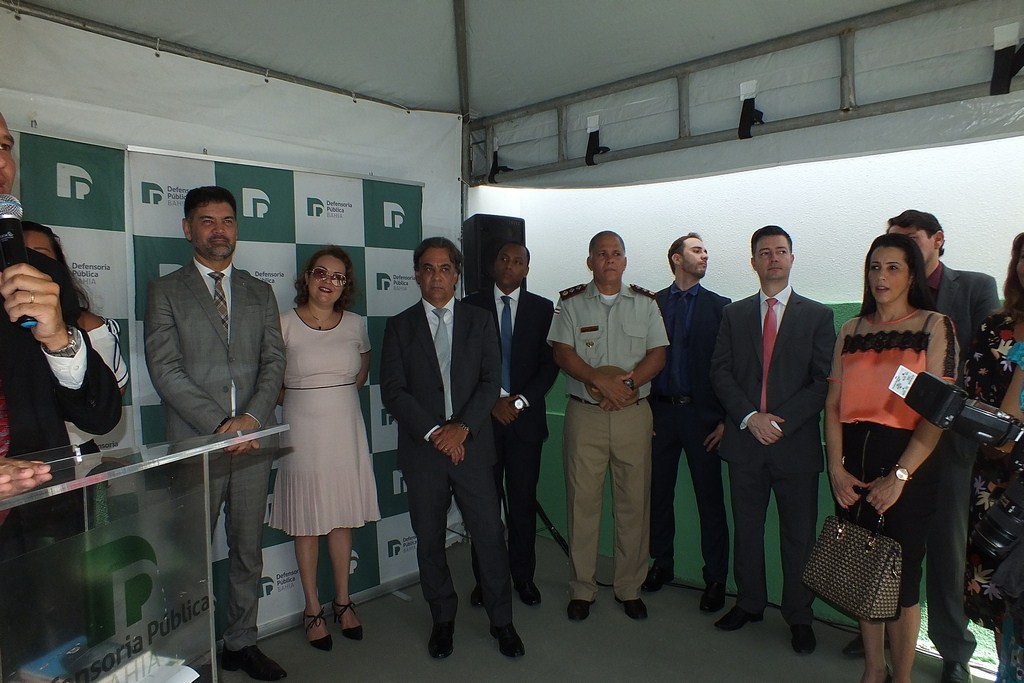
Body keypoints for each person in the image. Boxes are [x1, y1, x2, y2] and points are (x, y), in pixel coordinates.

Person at [144, 186, 286, 681]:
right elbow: (165, 370)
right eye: (207, 221)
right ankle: (192, 659)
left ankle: (241, 643)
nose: (219, 230)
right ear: (188, 229)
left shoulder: (259, 291)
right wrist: (222, 427)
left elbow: (274, 361)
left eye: (227, 220)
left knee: (247, 551)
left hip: (252, 443)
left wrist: (251, 419)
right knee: (188, 559)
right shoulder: (165, 291)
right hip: (196, 444)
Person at [380, 236, 525, 660]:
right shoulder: (399, 326)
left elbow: (490, 382)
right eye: (428, 268)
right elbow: (394, 391)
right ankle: (442, 619)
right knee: (429, 541)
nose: (436, 277)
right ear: (416, 275)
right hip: (424, 452)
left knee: (489, 537)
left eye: (445, 268)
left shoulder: (479, 320)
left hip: (473, 447)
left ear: (457, 275)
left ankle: (502, 621)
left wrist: (461, 429)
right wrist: (436, 433)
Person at [825, 232, 956, 683]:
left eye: (893, 267)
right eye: (875, 267)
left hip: (909, 465)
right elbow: (833, 406)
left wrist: (900, 475)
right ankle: (873, 669)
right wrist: (836, 468)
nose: (881, 276)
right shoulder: (851, 330)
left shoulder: (934, 326)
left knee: (901, 581)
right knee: (864, 570)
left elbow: (939, 413)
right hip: (854, 463)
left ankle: (901, 677)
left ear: (912, 275)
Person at [884, 210, 998, 683]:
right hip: (894, 438)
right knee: (889, 544)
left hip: (950, 444)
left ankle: (953, 649)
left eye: (911, 239)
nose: (902, 248)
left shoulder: (974, 287)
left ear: (937, 240)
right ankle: (884, 630)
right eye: (894, 241)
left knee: (948, 550)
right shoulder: (893, 291)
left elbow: (987, 363)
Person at [710, 225, 834, 655]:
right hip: (745, 443)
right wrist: (749, 418)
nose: (774, 258)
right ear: (753, 262)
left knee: (798, 536)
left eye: (781, 251)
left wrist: (779, 423)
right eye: (764, 252)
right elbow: (720, 372)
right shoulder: (734, 315)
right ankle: (749, 602)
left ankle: (799, 615)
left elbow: (823, 381)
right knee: (747, 530)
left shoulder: (817, 316)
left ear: (792, 258)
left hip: (794, 446)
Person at [548, 230, 668, 622]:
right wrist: (599, 380)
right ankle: (582, 588)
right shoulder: (570, 304)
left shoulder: (646, 303)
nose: (609, 259)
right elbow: (562, 353)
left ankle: (629, 586)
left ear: (625, 261)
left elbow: (658, 354)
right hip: (586, 415)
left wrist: (626, 387)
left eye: (616, 253)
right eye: (602, 254)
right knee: (582, 504)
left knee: (634, 503)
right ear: (590, 262)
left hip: (634, 415)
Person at [0, 110, 120, 497]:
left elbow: (101, 417)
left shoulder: (41, 274)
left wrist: (59, 340)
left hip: (35, 513)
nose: (1, 161)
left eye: (5, 146)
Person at [268, 246, 380, 651]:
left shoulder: (356, 324)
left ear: (345, 285)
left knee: (341, 518)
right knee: (307, 521)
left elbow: (361, 371)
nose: (328, 282)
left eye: (337, 276)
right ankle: (312, 608)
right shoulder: (282, 324)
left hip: (345, 430)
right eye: (321, 273)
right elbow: (271, 382)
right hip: (302, 433)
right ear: (307, 277)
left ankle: (343, 601)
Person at [463, 242, 558, 607]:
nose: (510, 265)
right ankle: (485, 579)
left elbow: (549, 366)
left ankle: (523, 577)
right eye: (504, 258)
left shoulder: (542, 309)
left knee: (522, 505)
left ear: (526, 270)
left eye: (518, 261)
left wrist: (518, 402)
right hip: (481, 423)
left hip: (524, 422)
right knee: (483, 509)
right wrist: (491, 404)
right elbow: (463, 366)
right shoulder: (470, 305)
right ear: (493, 264)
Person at [642, 233, 731, 611]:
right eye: (697, 250)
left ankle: (716, 579)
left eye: (706, 251)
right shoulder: (652, 304)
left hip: (703, 418)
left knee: (710, 500)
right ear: (677, 259)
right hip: (659, 413)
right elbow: (639, 358)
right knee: (657, 494)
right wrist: (641, 412)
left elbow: (730, 368)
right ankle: (661, 564)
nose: (705, 255)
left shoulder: (721, 307)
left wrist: (726, 420)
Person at [962, 232, 1024, 673]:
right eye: (1023, 256)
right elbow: (975, 392)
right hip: (991, 475)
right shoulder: (995, 325)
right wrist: (992, 434)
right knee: (994, 581)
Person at [21, 221, 128, 397]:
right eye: (22, 255)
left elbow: (109, 398)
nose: (28, 265)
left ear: (58, 265)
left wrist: (60, 341)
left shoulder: (89, 325)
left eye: (40, 255)